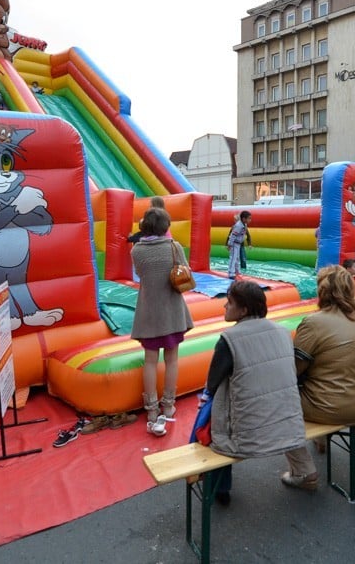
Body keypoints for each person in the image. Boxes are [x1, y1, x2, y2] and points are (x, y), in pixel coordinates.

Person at [204, 281, 306, 506]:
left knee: (210, 408)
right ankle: (306, 469)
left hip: (247, 437)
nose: (224, 307)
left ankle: (218, 487)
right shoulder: (282, 331)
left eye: (229, 303)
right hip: (288, 425)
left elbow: (212, 383)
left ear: (244, 310)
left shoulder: (229, 340)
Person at [289, 265, 355, 487]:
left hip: (332, 406)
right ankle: (324, 437)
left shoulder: (314, 322)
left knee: (277, 400)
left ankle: (303, 471)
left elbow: (294, 370)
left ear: (322, 291)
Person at [130, 206, 194, 436]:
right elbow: (185, 271)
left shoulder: (137, 250)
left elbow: (139, 274)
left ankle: (151, 411)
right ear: (166, 226)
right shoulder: (174, 247)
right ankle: (169, 404)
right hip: (172, 311)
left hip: (148, 311)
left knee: (149, 361)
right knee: (172, 359)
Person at [226, 211, 251, 279]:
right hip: (234, 244)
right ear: (243, 219)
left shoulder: (244, 225)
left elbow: (246, 234)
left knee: (237, 258)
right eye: (249, 218)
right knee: (233, 258)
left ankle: (237, 271)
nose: (250, 220)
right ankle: (231, 273)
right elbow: (232, 235)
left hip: (238, 244)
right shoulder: (238, 225)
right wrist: (229, 244)